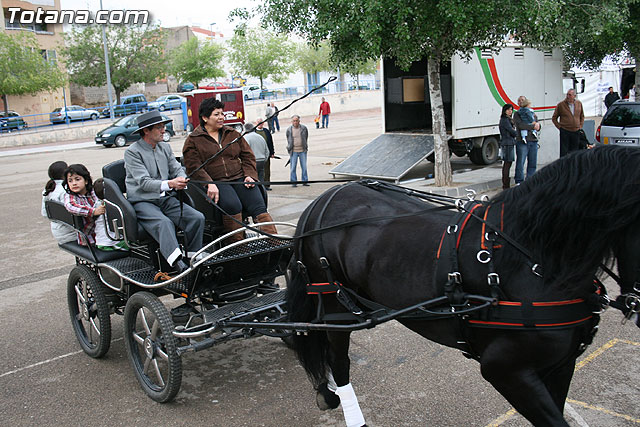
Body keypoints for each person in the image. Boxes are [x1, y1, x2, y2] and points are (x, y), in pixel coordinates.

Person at [182, 97, 277, 244]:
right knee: (233, 205)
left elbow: (248, 156)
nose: (221, 117)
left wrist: (250, 175)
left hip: (239, 178)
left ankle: (274, 243)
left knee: (258, 203)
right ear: (205, 118)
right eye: (217, 114)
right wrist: (209, 183)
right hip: (217, 182)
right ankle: (237, 246)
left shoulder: (232, 133)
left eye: (222, 113)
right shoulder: (193, 140)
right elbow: (193, 166)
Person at [124, 110, 205, 274]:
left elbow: (177, 169)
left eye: (163, 127)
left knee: (197, 217)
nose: (164, 130)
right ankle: (176, 263)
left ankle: (193, 256)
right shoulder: (132, 152)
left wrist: (181, 179)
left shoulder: (165, 147)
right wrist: (171, 184)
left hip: (166, 199)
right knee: (164, 223)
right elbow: (143, 182)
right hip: (143, 201)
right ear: (146, 131)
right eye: (159, 127)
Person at [62, 164, 105, 246]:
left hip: (103, 231)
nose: (74, 183)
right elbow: (71, 206)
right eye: (70, 181)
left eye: (77, 179)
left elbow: (100, 200)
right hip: (88, 238)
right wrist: (93, 211)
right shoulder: (70, 195)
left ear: (86, 181)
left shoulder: (93, 191)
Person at [42, 161, 77, 244]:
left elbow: (45, 213)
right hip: (71, 234)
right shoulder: (65, 191)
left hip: (58, 232)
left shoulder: (48, 189)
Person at [92, 178, 129, 251]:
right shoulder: (111, 206)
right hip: (109, 243)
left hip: (101, 241)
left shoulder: (98, 203)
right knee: (131, 244)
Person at [514, 96, 541, 185]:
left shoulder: (532, 113)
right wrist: (533, 126)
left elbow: (537, 124)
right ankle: (519, 181)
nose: (521, 102)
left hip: (533, 140)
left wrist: (538, 126)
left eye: (523, 100)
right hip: (522, 141)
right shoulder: (517, 114)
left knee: (532, 162)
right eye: (519, 100)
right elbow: (521, 125)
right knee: (520, 162)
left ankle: (530, 180)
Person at [552, 89, 584, 157]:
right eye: (567, 94)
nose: (568, 96)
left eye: (570, 95)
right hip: (565, 131)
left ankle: (573, 166)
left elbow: (582, 116)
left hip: (576, 131)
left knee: (575, 151)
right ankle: (563, 166)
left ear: (574, 96)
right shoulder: (561, 105)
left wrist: (580, 125)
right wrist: (560, 127)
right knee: (564, 151)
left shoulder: (579, 104)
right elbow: (554, 118)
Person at [286, 115, 309, 186]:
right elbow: (288, 139)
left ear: (299, 121)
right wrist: (289, 147)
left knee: (304, 167)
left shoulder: (304, 128)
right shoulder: (289, 130)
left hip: (302, 150)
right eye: (294, 121)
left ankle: (304, 181)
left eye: (296, 121)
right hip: (293, 151)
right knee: (293, 168)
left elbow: (306, 137)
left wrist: (305, 146)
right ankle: (294, 182)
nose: (295, 122)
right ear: (292, 122)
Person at [498, 104, 517, 190]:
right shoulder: (505, 120)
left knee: (508, 164)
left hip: (509, 142)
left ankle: (506, 184)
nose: (510, 111)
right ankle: (506, 185)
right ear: (504, 110)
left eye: (511, 110)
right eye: (508, 110)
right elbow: (512, 131)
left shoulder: (508, 119)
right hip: (507, 143)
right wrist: (518, 133)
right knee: (507, 164)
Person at [254, 119, 275, 190]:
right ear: (255, 123)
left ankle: (266, 185)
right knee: (258, 172)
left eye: (261, 122)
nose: (260, 124)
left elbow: (270, 142)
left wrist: (272, 152)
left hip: (266, 154)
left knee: (267, 170)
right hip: (256, 155)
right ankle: (259, 186)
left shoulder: (266, 131)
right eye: (258, 122)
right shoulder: (254, 131)